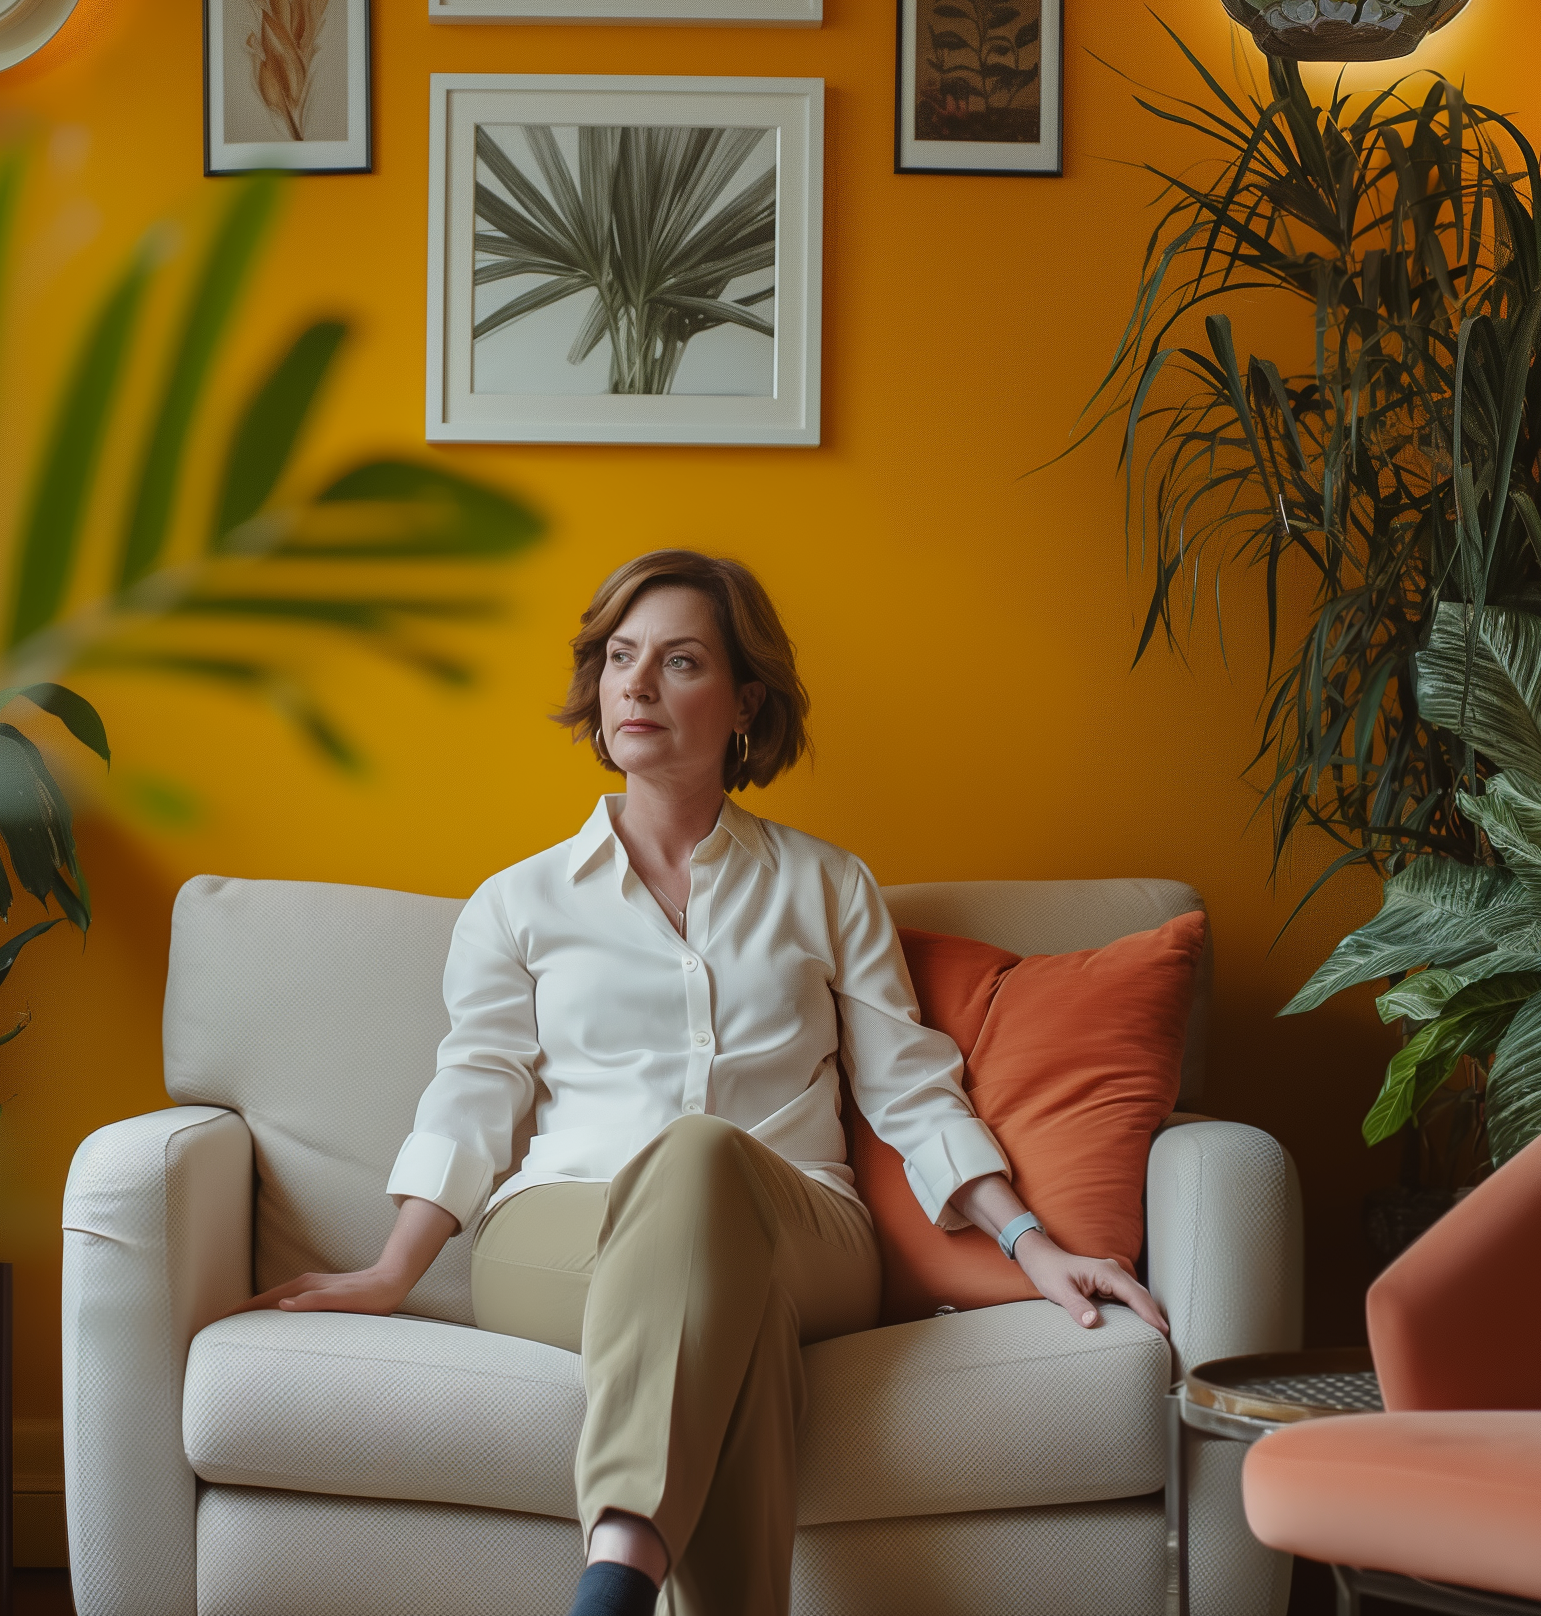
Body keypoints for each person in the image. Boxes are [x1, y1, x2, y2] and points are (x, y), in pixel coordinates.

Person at [246, 549, 1169, 1616]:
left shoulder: (828, 885)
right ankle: (632, 1572)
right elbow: (476, 1087)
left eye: (679, 661)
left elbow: (908, 1089)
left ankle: (616, 1574)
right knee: (732, 1320)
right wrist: (389, 1270)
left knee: (702, 1161)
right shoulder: (517, 902)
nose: (635, 684)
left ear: (744, 703)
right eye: (618, 658)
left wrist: (1029, 1243)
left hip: (799, 1228)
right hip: (560, 1232)